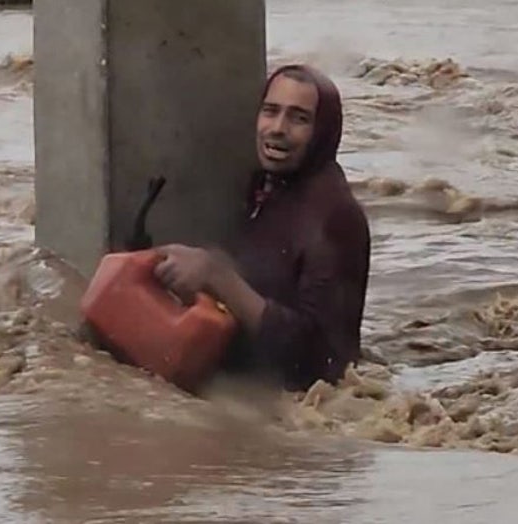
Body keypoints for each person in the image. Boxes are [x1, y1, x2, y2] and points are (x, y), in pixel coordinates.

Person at [153, 64, 371, 392]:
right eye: (270, 111)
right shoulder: (267, 187)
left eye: (299, 118)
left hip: (299, 412)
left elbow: (323, 363)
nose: (277, 128)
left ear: (324, 132)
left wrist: (219, 277)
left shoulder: (335, 218)